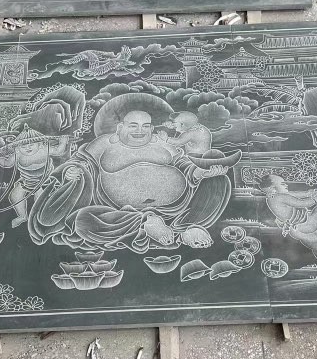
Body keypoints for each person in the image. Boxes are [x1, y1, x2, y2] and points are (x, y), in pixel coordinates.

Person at [28, 94, 231, 254]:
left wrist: (202, 173)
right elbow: (81, 162)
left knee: (219, 181)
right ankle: (146, 223)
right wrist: (72, 171)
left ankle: (187, 227)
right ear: (120, 127)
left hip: (178, 207)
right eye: (133, 125)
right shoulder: (104, 143)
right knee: (83, 221)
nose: (139, 131)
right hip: (120, 213)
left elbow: (184, 165)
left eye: (145, 126)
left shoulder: (161, 143)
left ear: (152, 128)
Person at [259, 175, 317, 277]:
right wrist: (315, 200)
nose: (286, 185)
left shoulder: (272, 197)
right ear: (272, 188)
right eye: (283, 184)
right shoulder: (280, 197)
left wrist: (307, 193)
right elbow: (301, 203)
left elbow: (293, 194)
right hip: (306, 224)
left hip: (296, 230)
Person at [0, 125, 70, 228]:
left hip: (44, 181)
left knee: (40, 199)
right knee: (14, 196)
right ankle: (22, 216)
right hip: (26, 180)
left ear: (40, 144)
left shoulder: (44, 149)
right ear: (18, 147)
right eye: (23, 146)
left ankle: (38, 217)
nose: (28, 148)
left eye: (31, 144)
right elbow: (7, 163)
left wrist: (63, 142)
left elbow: (59, 151)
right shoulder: (18, 153)